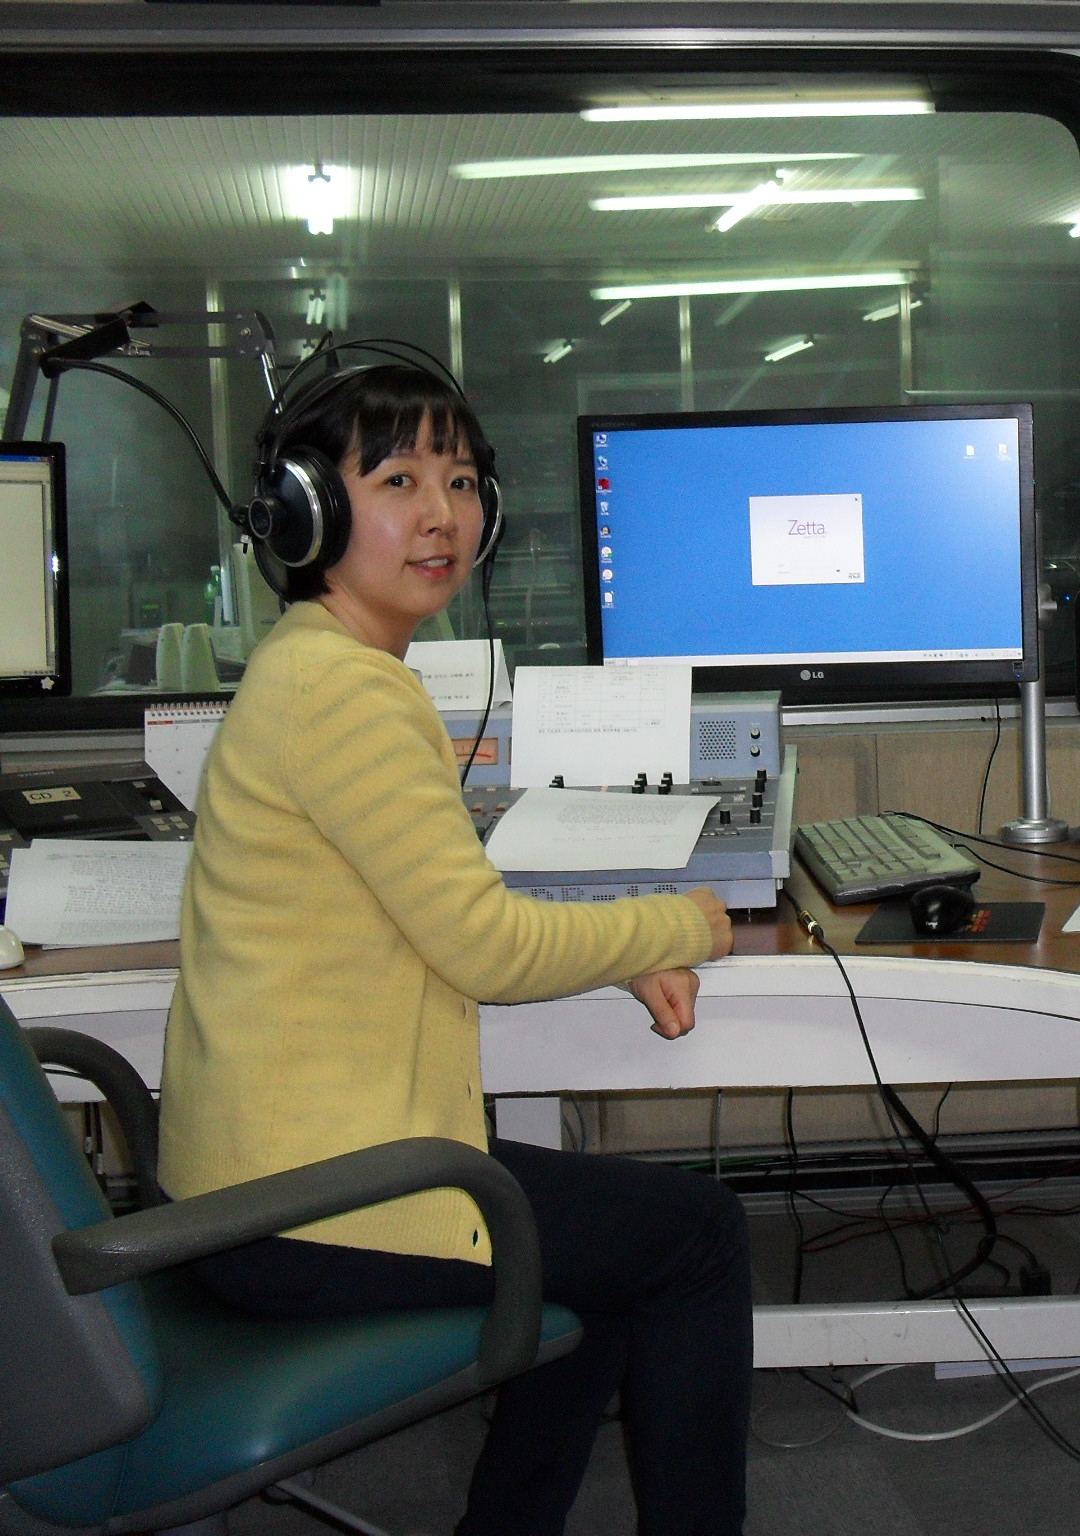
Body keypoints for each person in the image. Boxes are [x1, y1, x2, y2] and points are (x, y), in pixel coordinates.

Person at [157, 360, 750, 1536]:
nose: (443, 514)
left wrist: (615, 947)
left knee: (609, 1253)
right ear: (307, 512)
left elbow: (438, 910)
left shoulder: (310, 665)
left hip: (263, 1186)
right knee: (694, 1238)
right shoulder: (346, 693)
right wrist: (686, 922)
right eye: (398, 481)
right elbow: (483, 946)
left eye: (464, 481)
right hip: (315, 1208)